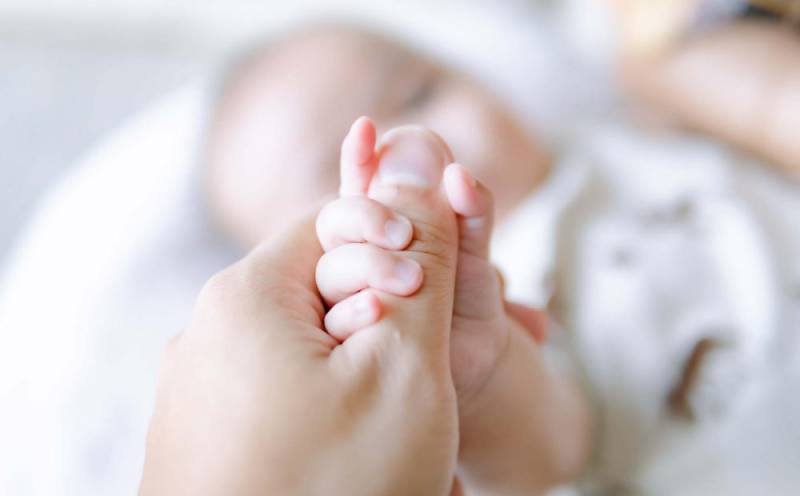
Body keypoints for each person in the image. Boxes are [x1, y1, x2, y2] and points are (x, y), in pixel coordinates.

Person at [141, 122, 589, 494]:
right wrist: (484, 378)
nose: (408, 141)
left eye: (420, 90)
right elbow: (574, 452)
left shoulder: (596, 146)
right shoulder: (484, 308)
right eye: (338, 183)